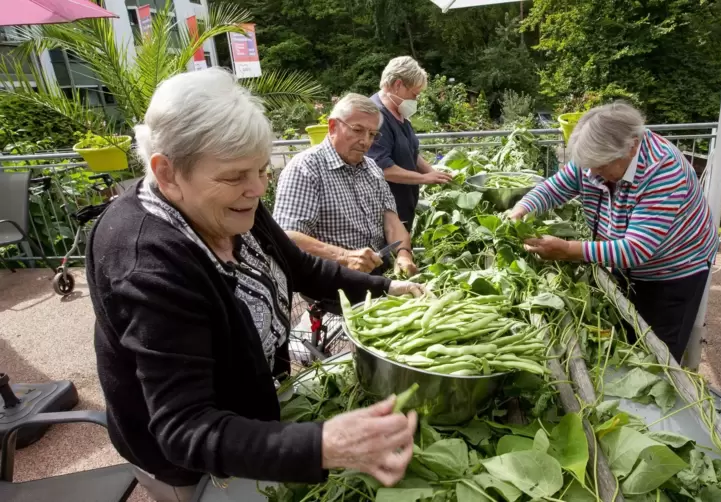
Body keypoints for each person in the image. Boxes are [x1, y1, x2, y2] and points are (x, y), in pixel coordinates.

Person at [86, 68, 421, 502]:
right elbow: (184, 428)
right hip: (185, 460)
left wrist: (384, 289)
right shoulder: (148, 264)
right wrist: (322, 446)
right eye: (235, 176)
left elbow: (300, 267)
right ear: (167, 173)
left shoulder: (229, 203)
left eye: (262, 171)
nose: (256, 189)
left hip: (250, 414)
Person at [509, 101, 718, 362]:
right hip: (626, 260)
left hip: (674, 269)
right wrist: (522, 207)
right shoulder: (599, 155)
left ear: (630, 147)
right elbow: (556, 187)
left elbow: (636, 249)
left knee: (658, 350)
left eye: (600, 167)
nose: (593, 173)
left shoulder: (662, 169)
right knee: (627, 330)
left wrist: (567, 251)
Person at [274, 93, 418, 277]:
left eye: (372, 134)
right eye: (357, 130)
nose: (366, 141)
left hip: (379, 276)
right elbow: (288, 237)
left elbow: (392, 223)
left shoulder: (372, 168)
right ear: (333, 126)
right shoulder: (306, 168)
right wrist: (344, 256)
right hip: (333, 282)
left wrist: (404, 254)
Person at [368, 56, 453, 231]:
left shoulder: (400, 114)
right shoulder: (375, 117)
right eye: (414, 94)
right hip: (383, 214)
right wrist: (423, 179)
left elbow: (411, 153)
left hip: (403, 208)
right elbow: (382, 168)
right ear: (398, 84)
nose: (416, 99)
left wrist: (434, 173)